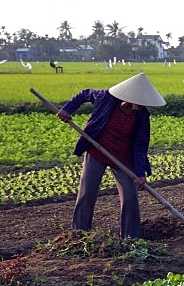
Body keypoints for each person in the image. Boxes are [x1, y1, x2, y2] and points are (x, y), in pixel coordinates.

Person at [56, 72, 166, 239]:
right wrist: (67, 109)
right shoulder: (105, 98)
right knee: (87, 192)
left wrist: (140, 173)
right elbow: (84, 94)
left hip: (124, 157)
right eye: (138, 102)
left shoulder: (142, 116)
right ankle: (78, 234)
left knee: (130, 197)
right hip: (97, 151)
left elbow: (140, 145)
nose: (140, 105)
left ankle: (131, 239)